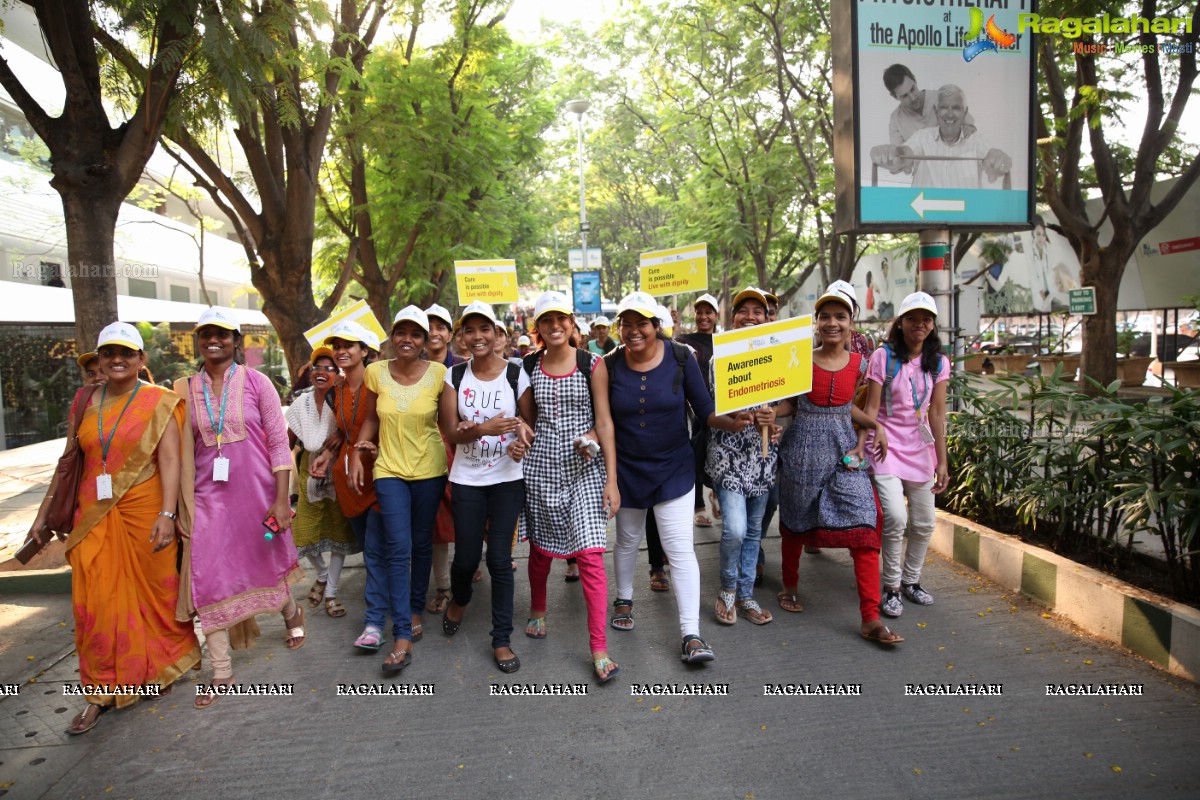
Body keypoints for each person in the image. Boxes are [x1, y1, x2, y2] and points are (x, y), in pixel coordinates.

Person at [29, 323, 200, 734]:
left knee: (155, 595)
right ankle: (99, 691)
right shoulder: (85, 401)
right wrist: (43, 514)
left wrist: (167, 514)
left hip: (145, 511)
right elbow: (70, 461)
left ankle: (158, 669)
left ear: (142, 360)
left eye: (126, 353)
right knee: (96, 603)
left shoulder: (162, 402)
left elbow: (171, 462)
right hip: (93, 517)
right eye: (108, 353)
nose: (117, 360)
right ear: (99, 361)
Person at [606, 291, 753, 664]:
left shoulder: (681, 358)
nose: (634, 330)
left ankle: (691, 634)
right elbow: (603, 422)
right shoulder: (607, 365)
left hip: (673, 468)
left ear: (657, 326)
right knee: (626, 540)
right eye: (627, 323)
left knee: (680, 550)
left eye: (643, 322)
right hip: (627, 469)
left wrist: (730, 422)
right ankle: (623, 599)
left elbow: (704, 410)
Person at [175, 307, 305, 709]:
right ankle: (221, 670)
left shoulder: (257, 382)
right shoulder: (182, 390)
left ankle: (291, 610)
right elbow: (175, 451)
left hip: (258, 495)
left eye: (222, 334)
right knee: (209, 575)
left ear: (235, 340)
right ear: (198, 341)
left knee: (260, 562)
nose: (213, 340)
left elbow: (279, 443)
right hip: (207, 498)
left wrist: (281, 499)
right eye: (205, 334)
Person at [774, 286, 902, 644]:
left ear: (851, 323)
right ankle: (790, 585)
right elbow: (790, 406)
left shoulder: (861, 364)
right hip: (802, 452)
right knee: (796, 521)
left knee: (864, 522)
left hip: (845, 454)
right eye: (825, 316)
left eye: (840, 316)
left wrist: (876, 425)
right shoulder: (798, 358)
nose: (832, 323)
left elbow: (847, 409)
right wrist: (770, 414)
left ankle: (871, 618)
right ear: (816, 323)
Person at [513, 290, 622, 683]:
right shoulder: (526, 366)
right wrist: (519, 437)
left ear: (572, 322)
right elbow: (527, 420)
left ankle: (598, 648)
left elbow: (606, 421)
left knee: (591, 555)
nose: (555, 326)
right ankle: (539, 609)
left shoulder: (593, 363)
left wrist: (612, 480)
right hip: (541, 467)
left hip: (586, 469)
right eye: (546, 320)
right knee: (541, 549)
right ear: (538, 328)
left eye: (561, 318)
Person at [349, 306, 449, 674]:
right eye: (401, 332)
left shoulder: (440, 373)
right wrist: (360, 453)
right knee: (398, 546)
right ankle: (402, 634)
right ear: (392, 337)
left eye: (415, 333)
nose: (407, 339)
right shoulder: (375, 372)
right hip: (388, 469)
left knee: (422, 543)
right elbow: (372, 417)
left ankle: (415, 608)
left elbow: (449, 423)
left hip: (430, 470)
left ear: (425, 341)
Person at [438, 300, 531, 673]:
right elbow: (449, 431)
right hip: (467, 480)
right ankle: (460, 598)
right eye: (470, 330)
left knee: (499, 561)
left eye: (484, 329)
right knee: (465, 559)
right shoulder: (455, 377)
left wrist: (521, 439)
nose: (478, 337)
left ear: (496, 334)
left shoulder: (516, 374)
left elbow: (527, 422)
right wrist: (482, 429)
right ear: (462, 337)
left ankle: (502, 639)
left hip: (507, 479)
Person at [863, 292, 950, 619]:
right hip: (884, 446)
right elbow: (871, 407)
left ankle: (912, 581)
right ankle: (891, 587)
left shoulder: (939, 361)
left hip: (920, 448)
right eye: (913, 318)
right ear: (900, 323)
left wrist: (943, 460)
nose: (920, 324)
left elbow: (937, 412)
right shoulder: (883, 356)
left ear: (933, 324)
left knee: (925, 522)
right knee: (897, 519)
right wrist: (867, 438)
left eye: (926, 319)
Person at [706, 287, 781, 626]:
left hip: (763, 458)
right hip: (729, 457)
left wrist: (774, 417)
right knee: (734, 530)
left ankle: (746, 595)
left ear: (767, 318)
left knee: (754, 532)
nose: (750, 316)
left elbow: (787, 402)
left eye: (758, 311)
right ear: (732, 317)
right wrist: (735, 419)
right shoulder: (719, 356)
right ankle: (727, 590)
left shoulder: (778, 355)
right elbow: (711, 410)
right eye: (743, 310)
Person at [309, 321, 386, 652]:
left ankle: (375, 620)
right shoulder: (334, 392)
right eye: (337, 345)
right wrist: (328, 452)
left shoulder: (381, 384)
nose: (341, 351)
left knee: (378, 549)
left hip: (381, 472)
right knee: (371, 551)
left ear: (364, 351)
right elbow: (344, 428)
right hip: (347, 480)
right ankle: (388, 610)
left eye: (349, 345)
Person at [286, 346, 358, 618]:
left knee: (339, 534)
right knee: (303, 533)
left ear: (337, 375)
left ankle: (331, 593)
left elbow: (353, 427)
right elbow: (286, 442)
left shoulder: (342, 400)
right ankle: (324, 573)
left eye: (330, 368)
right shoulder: (299, 404)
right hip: (308, 471)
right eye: (318, 367)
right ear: (309, 372)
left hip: (339, 469)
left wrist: (341, 436)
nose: (322, 372)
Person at [871, 85, 1012, 189]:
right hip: (924, 222)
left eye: (956, 108)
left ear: (965, 112)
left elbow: (993, 165)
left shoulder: (976, 139)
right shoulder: (922, 137)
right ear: (936, 111)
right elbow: (903, 155)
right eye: (944, 107)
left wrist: (999, 161)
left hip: (965, 224)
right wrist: (891, 153)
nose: (949, 114)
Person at [423, 303, 466, 615]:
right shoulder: (410, 368)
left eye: (440, 327)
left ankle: (470, 563)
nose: (434, 333)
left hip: (464, 450)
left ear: (451, 334)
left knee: (470, 518)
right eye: (428, 327)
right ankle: (443, 585)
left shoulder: (465, 367)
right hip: (425, 453)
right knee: (437, 523)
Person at [882, 64, 976, 151]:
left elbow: (970, 125)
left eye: (913, 89)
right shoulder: (895, 119)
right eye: (905, 96)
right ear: (895, 97)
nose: (913, 97)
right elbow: (898, 157)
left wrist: (970, 127)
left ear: (915, 80)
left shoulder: (941, 97)